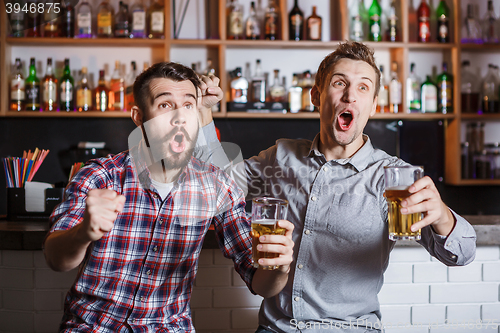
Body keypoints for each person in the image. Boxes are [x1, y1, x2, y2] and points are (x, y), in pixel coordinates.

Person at [196, 41, 477, 332]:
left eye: (363, 88)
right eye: (339, 83)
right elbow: (216, 184)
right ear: (316, 96)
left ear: (374, 104)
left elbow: (462, 254)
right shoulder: (280, 157)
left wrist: (443, 215)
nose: (350, 96)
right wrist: (203, 113)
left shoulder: (395, 178)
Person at [43, 62, 294, 332]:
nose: (179, 117)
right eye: (165, 105)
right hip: (93, 326)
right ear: (139, 116)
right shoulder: (99, 176)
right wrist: (83, 233)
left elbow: (260, 282)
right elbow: (56, 259)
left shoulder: (216, 185)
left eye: (188, 105)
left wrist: (278, 269)